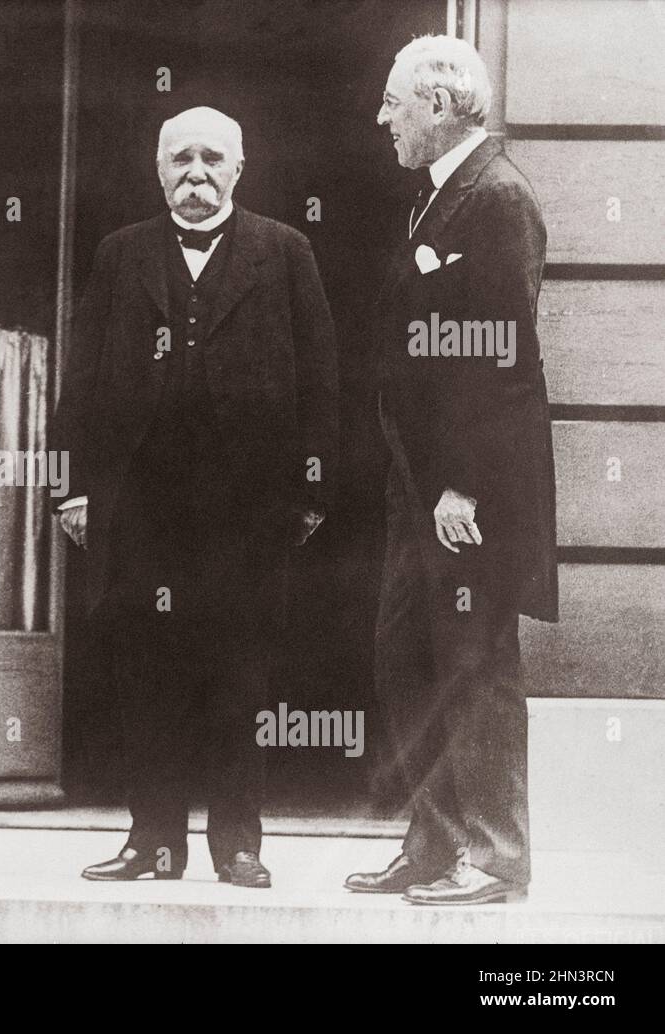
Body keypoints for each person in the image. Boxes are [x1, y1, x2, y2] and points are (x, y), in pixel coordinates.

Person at [51, 106, 338, 887]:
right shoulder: (121, 254)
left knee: (240, 675)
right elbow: (80, 377)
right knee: (146, 673)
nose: (196, 174)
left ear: (239, 171)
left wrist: (309, 491)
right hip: (140, 507)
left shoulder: (286, 251)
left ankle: (239, 844)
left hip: (246, 510)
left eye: (213, 159)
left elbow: (321, 380)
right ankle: (153, 841)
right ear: (158, 169)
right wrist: (71, 487)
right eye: (181, 159)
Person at [345, 35, 557, 906]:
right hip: (421, 489)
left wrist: (462, 484)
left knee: (474, 665)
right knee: (408, 657)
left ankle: (497, 857)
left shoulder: (496, 199)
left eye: (394, 103)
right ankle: (433, 842)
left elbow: (502, 358)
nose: (382, 118)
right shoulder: (439, 200)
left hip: (466, 495)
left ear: (439, 107)